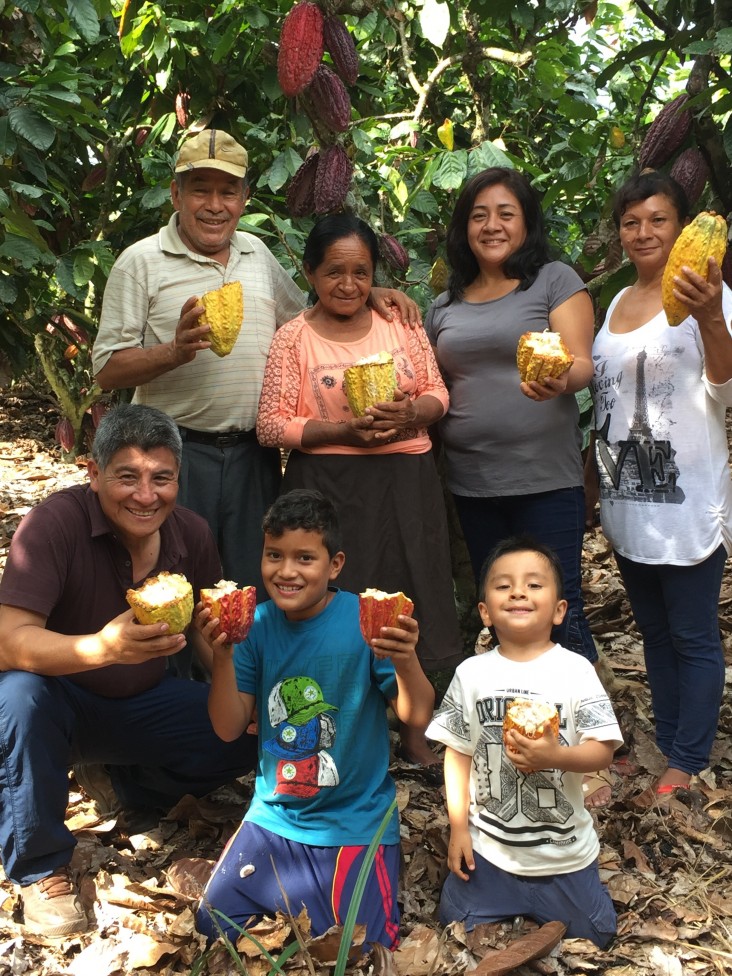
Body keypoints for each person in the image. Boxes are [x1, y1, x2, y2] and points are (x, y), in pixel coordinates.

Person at [92, 129, 419, 597]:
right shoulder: (140, 262)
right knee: (174, 580)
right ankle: (177, 672)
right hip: (177, 453)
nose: (214, 204)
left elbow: (305, 321)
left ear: (244, 198)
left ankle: (244, 672)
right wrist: (174, 351)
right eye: (200, 189)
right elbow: (106, 370)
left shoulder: (257, 254)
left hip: (254, 454)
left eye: (228, 191)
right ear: (176, 194)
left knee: (253, 583)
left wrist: (366, 293)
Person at [0, 404, 258, 939]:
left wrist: (244, 682)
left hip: (145, 702)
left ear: (178, 480)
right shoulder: (55, 523)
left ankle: (132, 787)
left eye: (162, 478)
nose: (146, 495)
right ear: (93, 473)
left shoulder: (190, 534)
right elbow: (6, 642)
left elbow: (212, 647)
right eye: (127, 477)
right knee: (17, 698)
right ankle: (41, 867)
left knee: (247, 729)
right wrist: (102, 648)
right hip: (57, 703)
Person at [256, 213, 463, 769]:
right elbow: (272, 425)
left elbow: (438, 394)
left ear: (376, 274)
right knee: (338, 605)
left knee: (404, 595)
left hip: (404, 480)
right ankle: (346, 721)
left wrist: (410, 412)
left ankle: (414, 728)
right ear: (309, 273)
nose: (348, 285)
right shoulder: (293, 338)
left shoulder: (401, 325)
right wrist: (344, 430)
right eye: (333, 273)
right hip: (327, 485)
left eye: (361, 272)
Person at [194, 489, 435, 949]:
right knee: (213, 928)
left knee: (362, 948)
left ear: (335, 564)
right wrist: (223, 655)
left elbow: (417, 714)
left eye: (305, 557)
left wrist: (406, 661)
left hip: (354, 821)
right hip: (276, 816)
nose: (286, 571)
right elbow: (228, 728)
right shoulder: (257, 627)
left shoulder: (366, 621)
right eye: (274, 556)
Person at [585, 171, 732, 798]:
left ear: (684, 225)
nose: (643, 233)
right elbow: (604, 401)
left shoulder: (715, 296)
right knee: (653, 630)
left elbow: (725, 389)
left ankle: (688, 760)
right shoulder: (617, 302)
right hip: (626, 499)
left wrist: (709, 317)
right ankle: (671, 739)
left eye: (658, 220)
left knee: (692, 631)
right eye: (630, 222)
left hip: (687, 497)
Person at [424, 168, 596, 666]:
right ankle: (519, 726)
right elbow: (432, 381)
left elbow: (581, 362)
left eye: (505, 214)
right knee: (503, 612)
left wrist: (560, 379)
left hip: (544, 478)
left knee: (559, 610)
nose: (491, 225)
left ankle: (589, 733)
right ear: (464, 228)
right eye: (479, 215)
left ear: (526, 224)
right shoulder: (443, 305)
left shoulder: (553, 280)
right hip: (472, 482)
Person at [426, 537, 622, 947]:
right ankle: (503, 897)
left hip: (562, 855)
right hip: (491, 851)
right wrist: (459, 828)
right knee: (453, 921)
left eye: (534, 585)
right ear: (484, 611)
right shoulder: (471, 673)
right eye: (503, 586)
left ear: (559, 611)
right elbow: (457, 753)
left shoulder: (575, 671)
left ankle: (550, 901)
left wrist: (558, 756)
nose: (518, 592)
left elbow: (603, 748)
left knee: (598, 933)